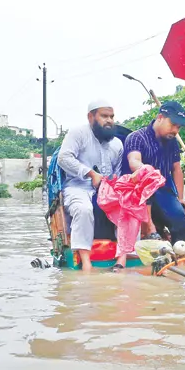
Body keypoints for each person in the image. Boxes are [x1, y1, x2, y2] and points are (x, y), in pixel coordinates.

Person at [58, 99, 125, 268]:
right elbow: (63, 158)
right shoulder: (78, 134)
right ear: (90, 117)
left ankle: (122, 258)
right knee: (83, 209)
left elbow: (116, 173)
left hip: (107, 189)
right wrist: (90, 173)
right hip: (77, 186)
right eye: (104, 116)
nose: (109, 120)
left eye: (111, 116)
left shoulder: (117, 144)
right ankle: (86, 263)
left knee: (128, 207)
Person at [124, 100, 185, 244]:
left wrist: (180, 199)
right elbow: (134, 161)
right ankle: (150, 229)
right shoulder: (136, 137)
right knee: (145, 174)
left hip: (164, 192)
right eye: (173, 125)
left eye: (178, 127)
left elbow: (176, 170)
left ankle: (182, 260)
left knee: (180, 221)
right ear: (160, 117)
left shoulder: (172, 142)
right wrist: (148, 171)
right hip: (139, 194)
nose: (175, 130)